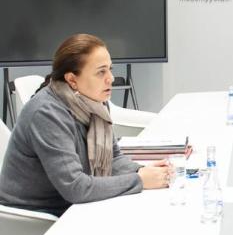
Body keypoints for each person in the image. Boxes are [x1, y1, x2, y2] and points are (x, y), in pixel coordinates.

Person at [0, 34, 170, 216]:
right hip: (35, 217)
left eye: (110, 69)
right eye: (101, 72)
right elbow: (75, 187)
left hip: (70, 205)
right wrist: (139, 180)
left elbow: (113, 158)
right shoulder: (47, 114)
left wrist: (143, 171)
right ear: (72, 80)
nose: (111, 78)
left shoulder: (95, 102)